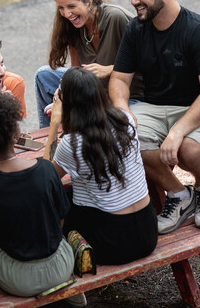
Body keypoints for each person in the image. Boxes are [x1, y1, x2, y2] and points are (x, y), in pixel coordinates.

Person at [109, 0, 200, 235]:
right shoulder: (136, 29)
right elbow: (119, 79)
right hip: (155, 106)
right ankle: (178, 194)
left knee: (187, 149)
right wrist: (123, 112)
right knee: (121, 139)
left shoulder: (199, 29)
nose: (134, 1)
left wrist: (175, 133)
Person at [0, 86, 86, 307]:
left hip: (18, 280)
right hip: (60, 266)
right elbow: (61, 219)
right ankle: (64, 287)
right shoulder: (46, 169)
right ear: (15, 134)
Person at [44, 67, 158, 264]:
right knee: (73, 192)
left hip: (113, 245)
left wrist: (55, 123)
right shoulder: (127, 120)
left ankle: (53, 256)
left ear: (68, 104)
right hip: (148, 232)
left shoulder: (73, 143)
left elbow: (45, 176)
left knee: (54, 199)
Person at [34, 0, 143, 128]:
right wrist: (64, 97)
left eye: (71, 6)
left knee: (108, 120)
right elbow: (77, 70)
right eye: (61, 8)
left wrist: (110, 69)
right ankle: (49, 139)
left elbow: (149, 63)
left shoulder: (116, 17)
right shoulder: (73, 25)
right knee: (43, 75)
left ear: (89, 0)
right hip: (96, 91)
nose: (66, 14)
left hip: (128, 95)